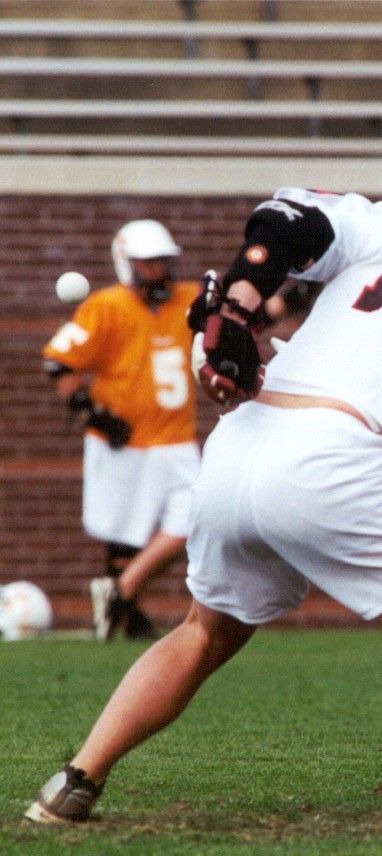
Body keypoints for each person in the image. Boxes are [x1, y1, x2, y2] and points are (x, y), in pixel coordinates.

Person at [26, 175, 382, 826]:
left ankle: (75, 779)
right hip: (342, 454)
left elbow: (285, 218)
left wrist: (240, 301)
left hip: (241, 439)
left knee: (201, 633)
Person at [42, 219, 202, 642]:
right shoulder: (107, 305)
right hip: (125, 439)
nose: (159, 270)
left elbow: (242, 312)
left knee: (196, 520)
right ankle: (127, 612)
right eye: (149, 263)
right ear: (127, 264)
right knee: (124, 535)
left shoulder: (189, 299)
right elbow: (60, 363)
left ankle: (121, 592)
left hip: (177, 438)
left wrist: (289, 297)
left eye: (162, 261)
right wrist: (92, 413)